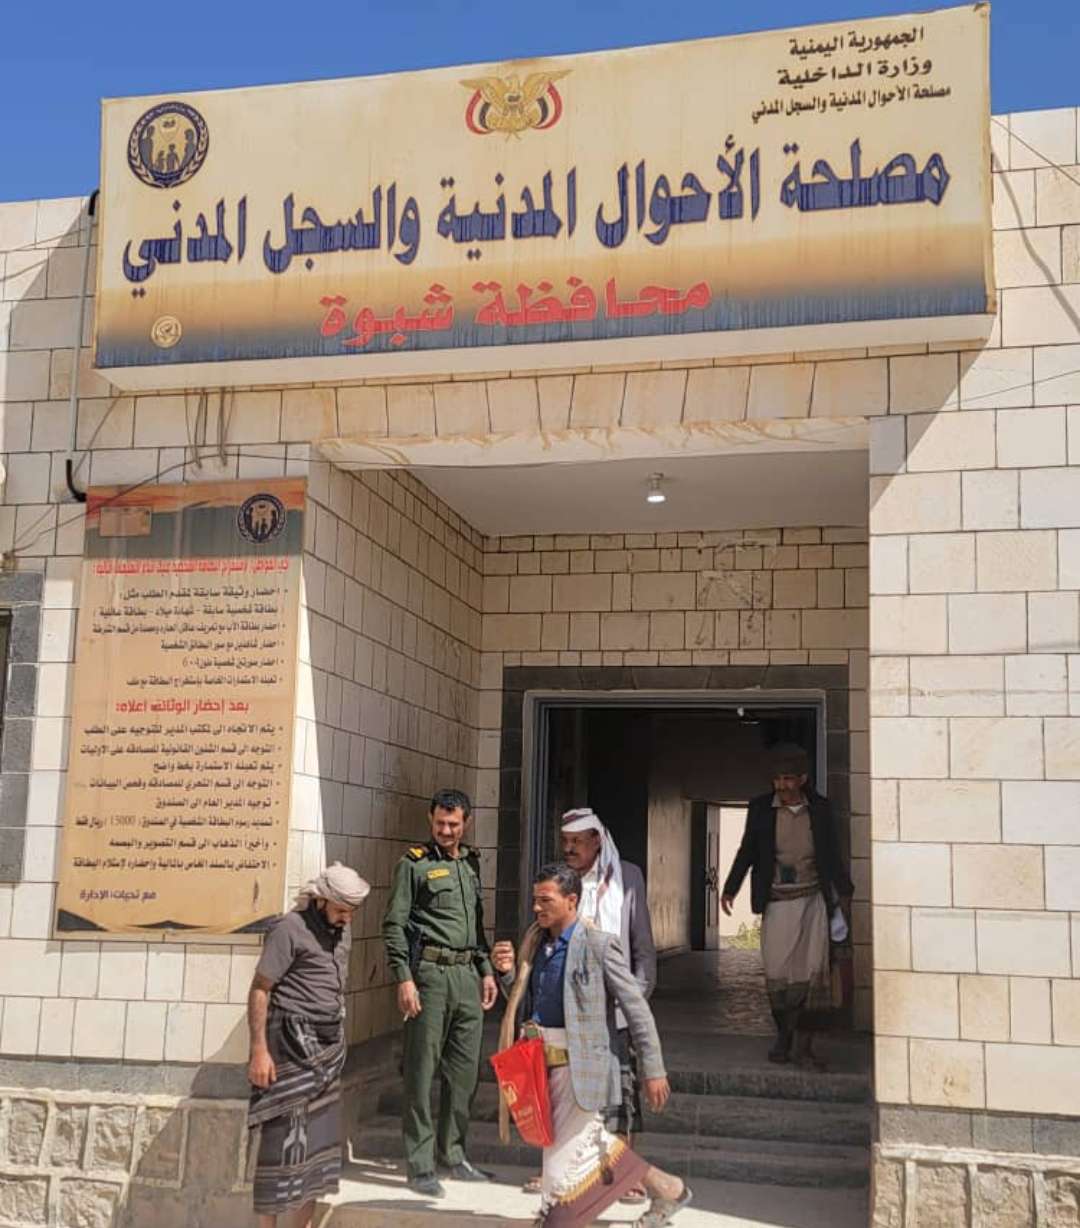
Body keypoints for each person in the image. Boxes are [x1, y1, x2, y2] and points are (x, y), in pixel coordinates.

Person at [491, 863, 692, 1228]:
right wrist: (507, 974)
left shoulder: (599, 945)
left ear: (571, 900)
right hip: (541, 1070)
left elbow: (636, 1009)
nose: (536, 908)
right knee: (589, 1145)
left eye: (546, 900)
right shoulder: (536, 945)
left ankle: (557, 1217)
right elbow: (526, 1005)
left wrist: (653, 1069)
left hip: (581, 1070)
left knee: (564, 1168)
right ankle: (668, 1188)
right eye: (535, 900)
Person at [520, 807, 655, 1203]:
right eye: (565, 841)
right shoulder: (558, 884)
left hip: (614, 1009)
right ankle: (556, 1169)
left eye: (578, 841)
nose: (570, 848)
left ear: (597, 840)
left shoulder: (627, 876)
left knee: (618, 1094)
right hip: (566, 1012)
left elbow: (642, 946)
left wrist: (632, 999)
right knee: (560, 1098)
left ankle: (627, 1176)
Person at [382, 787, 497, 1196]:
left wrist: (486, 970)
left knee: (464, 1073)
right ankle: (420, 1164)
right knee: (421, 1071)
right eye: (440, 823)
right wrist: (404, 978)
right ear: (431, 820)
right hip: (429, 976)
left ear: (466, 823)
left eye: (454, 824)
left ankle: (454, 1154)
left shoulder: (470, 863)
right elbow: (394, 924)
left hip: (466, 975)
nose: (446, 830)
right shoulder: (413, 865)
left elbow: (476, 926)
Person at [246, 862, 370, 1228]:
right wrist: (259, 1051)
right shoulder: (289, 929)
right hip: (288, 1049)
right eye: (341, 910)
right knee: (279, 1146)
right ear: (321, 900)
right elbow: (260, 989)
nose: (347, 918)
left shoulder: (342, 931)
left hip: (326, 1053)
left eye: (352, 911)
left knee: (318, 1149)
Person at [720, 743, 854, 1068]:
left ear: (803, 779)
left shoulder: (820, 809)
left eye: (788, 779)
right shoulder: (760, 809)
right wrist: (730, 888)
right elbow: (747, 851)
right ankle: (784, 1036)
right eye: (777, 779)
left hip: (813, 903)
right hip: (777, 902)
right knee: (778, 973)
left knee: (812, 976)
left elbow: (832, 853)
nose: (782, 786)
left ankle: (804, 1047)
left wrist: (845, 893)